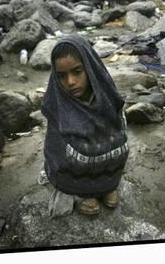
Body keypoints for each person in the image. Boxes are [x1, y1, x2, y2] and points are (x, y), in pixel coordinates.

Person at [41, 34, 129, 215]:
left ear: (89, 67)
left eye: (77, 72)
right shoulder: (57, 101)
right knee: (81, 152)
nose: (70, 82)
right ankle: (81, 192)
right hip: (75, 170)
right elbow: (55, 148)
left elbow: (117, 123)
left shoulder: (104, 94)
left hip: (105, 161)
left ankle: (107, 184)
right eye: (62, 76)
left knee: (118, 142)